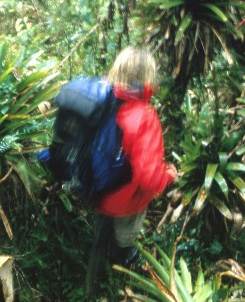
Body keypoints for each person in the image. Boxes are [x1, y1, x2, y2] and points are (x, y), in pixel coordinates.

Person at [85, 46, 178, 294]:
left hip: (98, 189)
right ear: (147, 76)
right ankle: (118, 271)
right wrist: (168, 175)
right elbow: (148, 177)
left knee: (101, 231)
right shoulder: (144, 117)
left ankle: (92, 276)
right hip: (127, 201)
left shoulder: (103, 103)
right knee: (124, 236)